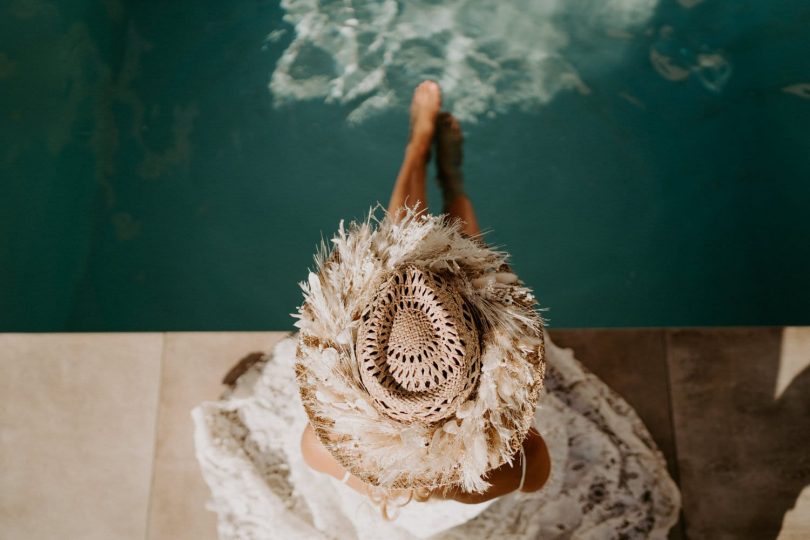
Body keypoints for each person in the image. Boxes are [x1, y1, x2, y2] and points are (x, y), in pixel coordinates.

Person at [192, 81, 682, 539]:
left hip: (411, 373)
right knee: (463, 257)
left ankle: (417, 149)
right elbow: (534, 461)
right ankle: (453, 182)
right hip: (457, 369)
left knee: (405, 237)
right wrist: (495, 416)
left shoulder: (320, 449)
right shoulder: (508, 469)